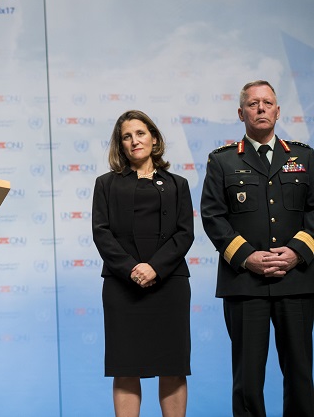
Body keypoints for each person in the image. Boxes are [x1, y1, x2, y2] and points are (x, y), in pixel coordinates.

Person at [201, 80, 314, 417]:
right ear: (241, 113)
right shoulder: (222, 161)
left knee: (300, 376)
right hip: (244, 284)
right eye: (253, 104)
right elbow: (213, 216)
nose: (261, 108)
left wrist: (297, 251)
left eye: (267, 103)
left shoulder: (304, 156)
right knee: (247, 380)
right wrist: (246, 257)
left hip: (296, 282)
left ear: (278, 111)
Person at [92, 110, 193, 417]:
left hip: (170, 284)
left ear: (154, 139)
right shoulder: (106, 184)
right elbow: (101, 233)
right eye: (126, 136)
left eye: (140, 133)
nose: (134, 141)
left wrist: (155, 268)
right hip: (122, 286)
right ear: (120, 145)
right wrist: (132, 269)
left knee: (172, 366)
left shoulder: (178, 184)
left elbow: (184, 233)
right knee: (125, 367)